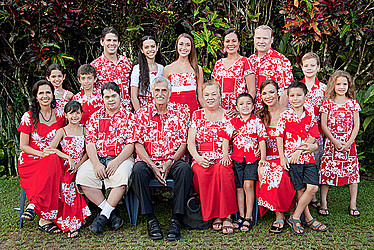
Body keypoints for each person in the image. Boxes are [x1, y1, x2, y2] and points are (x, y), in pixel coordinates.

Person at [131, 76, 193, 241]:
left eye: (164, 90)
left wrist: (170, 162)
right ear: (152, 92)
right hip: (149, 161)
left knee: (185, 170)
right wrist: (152, 165)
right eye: (157, 90)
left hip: (171, 160)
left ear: (170, 92)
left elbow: (183, 144)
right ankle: (150, 218)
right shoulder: (142, 114)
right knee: (137, 171)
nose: (160, 93)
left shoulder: (180, 112)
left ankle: (176, 218)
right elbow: (138, 145)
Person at [76, 82, 135, 235]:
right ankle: (110, 213)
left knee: (122, 177)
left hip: (121, 158)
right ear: (102, 98)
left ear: (120, 96)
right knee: (82, 177)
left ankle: (102, 218)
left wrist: (116, 161)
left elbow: (131, 144)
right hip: (99, 158)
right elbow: (90, 143)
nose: (110, 100)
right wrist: (95, 164)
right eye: (107, 97)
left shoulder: (129, 116)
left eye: (114, 96)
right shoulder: (95, 117)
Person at [276, 81, 328, 235]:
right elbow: (279, 137)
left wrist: (300, 151)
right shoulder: (285, 115)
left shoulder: (310, 115)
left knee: (313, 187)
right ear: (288, 97)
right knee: (300, 189)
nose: (295, 98)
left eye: (299, 95)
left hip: (307, 158)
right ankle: (308, 218)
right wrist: (282, 158)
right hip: (292, 159)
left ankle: (295, 216)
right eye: (292, 95)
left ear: (306, 96)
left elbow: (313, 137)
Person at [187, 80, 238, 234]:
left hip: (223, 155)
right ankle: (215, 215)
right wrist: (197, 157)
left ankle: (227, 216)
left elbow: (234, 137)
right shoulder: (196, 115)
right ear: (202, 97)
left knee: (223, 171)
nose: (210, 98)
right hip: (202, 156)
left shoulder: (228, 114)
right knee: (202, 172)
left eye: (213, 94)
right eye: (206, 95)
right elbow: (190, 142)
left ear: (220, 96)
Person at [18, 80, 64, 235]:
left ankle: (33, 205)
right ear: (36, 97)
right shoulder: (29, 116)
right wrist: (41, 153)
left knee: (53, 161)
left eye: (48, 92)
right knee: (51, 160)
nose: (45, 96)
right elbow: (23, 146)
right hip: (32, 158)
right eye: (41, 93)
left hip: (54, 159)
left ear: (53, 95)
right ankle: (45, 218)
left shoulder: (59, 114)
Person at [219, 93, 268, 232]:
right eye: (241, 104)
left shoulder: (257, 121)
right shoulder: (233, 121)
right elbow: (225, 139)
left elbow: (262, 141)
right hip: (237, 158)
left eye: (248, 103)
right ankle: (240, 216)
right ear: (236, 107)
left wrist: (263, 158)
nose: (245, 106)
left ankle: (249, 216)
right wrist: (225, 155)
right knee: (239, 187)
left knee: (248, 185)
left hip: (252, 158)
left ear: (253, 106)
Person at [256, 79, 296, 234]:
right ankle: (279, 214)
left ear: (278, 93)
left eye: (271, 92)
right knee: (268, 171)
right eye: (264, 93)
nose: (268, 96)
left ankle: (290, 210)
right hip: (266, 157)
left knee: (282, 172)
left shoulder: (288, 113)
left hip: (285, 155)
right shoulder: (259, 115)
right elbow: (253, 136)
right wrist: (258, 151)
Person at [319, 70, 361, 217]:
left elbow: (356, 126)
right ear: (333, 85)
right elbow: (324, 125)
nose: (341, 87)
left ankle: (353, 204)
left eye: (345, 84)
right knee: (326, 173)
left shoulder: (353, 104)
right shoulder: (327, 104)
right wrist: (334, 141)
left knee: (352, 174)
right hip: (332, 144)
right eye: (338, 84)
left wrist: (349, 142)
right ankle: (323, 203)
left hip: (349, 145)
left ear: (349, 85)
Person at [49, 101, 91, 238]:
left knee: (79, 182)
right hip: (66, 166)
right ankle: (69, 221)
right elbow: (51, 148)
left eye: (78, 113)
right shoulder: (62, 131)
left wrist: (79, 165)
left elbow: (87, 152)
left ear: (81, 114)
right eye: (71, 113)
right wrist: (67, 157)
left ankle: (76, 219)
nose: (75, 116)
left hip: (81, 165)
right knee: (67, 186)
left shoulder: (85, 130)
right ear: (66, 115)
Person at [300, 52, 326, 213]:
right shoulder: (296, 86)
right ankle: (301, 194)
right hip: (299, 134)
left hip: (317, 134)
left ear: (318, 67)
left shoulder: (323, 88)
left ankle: (314, 197)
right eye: (306, 65)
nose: (309, 68)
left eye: (312, 65)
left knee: (315, 163)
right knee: (301, 163)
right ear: (301, 68)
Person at [247, 25, 293, 110]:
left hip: (271, 113)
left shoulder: (281, 60)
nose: (261, 41)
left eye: (265, 38)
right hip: (252, 114)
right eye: (258, 38)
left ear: (271, 40)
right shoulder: (250, 60)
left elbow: (285, 91)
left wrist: (278, 115)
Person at [212, 29, 255, 113]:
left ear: (239, 43)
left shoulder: (245, 62)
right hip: (220, 111)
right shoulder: (218, 64)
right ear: (223, 43)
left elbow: (252, 91)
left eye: (234, 41)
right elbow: (213, 89)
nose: (230, 44)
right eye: (227, 41)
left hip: (238, 112)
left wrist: (242, 110)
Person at [91, 27, 133, 110]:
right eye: (108, 40)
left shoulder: (127, 62)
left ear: (118, 43)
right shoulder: (95, 65)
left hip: (127, 113)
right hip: (106, 114)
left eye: (114, 40)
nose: (112, 43)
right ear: (102, 42)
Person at [163, 33, 204, 115]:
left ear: (191, 48)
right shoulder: (167, 69)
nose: (184, 48)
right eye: (181, 44)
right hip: (174, 112)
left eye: (187, 45)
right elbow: (165, 95)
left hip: (193, 111)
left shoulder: (197, 69)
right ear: (176, 46)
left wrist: (209, 113)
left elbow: (200, 96)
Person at [131, 36, 164, 111]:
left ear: (157, 47)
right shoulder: (137, 69)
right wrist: (139, 114)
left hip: (159, 107)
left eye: (153, 46)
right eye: (146, 47)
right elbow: (133, 96)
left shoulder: (161, 68)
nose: (150, 50)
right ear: (142, 50)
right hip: (143, 108)